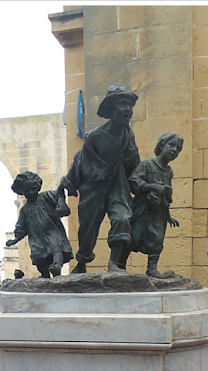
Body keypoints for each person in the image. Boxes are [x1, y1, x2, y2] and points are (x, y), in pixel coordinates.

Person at [59, 83, 140, 273]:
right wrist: (67, 185)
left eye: (129, 105)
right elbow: (80, 162)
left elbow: (134, 165)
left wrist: (143, 183)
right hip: (94, 188)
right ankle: (81, 263)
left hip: (117, 186)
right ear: (111, 108)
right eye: (122, 104)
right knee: (88, 228)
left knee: (122, 217)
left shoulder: (129, 135)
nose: (128, 110)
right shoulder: (94, 137)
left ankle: (114, 264)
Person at [119, 132, 184, 278]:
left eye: (178, 148)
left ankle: (152, 269)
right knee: (133, 237)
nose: (174, 150)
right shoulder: (147, 165)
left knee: (157, 239)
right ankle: (119, 266)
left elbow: (167, 194)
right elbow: (133, 182)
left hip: (159, 212)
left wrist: (169, 216)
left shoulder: (168, 172)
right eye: (171, 145)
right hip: (142, 209)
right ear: (162, 145)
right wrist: (151, 187)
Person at [6, 172, 73, 278]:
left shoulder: (46, 196)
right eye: (27, 190)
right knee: (37, 256)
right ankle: (45, 275)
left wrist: (61, 204)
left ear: (38, 188)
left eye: (33, 189)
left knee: (56, 247)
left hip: (52, 230)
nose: (31, 192)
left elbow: (58, 194)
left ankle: (57, 266)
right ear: (23, 192)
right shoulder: (24, 210)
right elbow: (21, 227)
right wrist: (15, 239)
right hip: (37, 238)